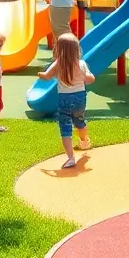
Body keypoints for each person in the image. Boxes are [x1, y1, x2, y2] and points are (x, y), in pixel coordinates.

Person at [38, 33, 94, 169]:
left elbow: (46, 76)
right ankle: (84, 141)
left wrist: (40, 74)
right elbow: (91, 79)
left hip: (64, 99)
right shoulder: (81, 64)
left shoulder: (58, 64)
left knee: (65, 128)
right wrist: (85, 75)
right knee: (79, 121)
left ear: (58, 49)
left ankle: (70, 158)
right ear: (76, 49)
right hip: (80, 98)